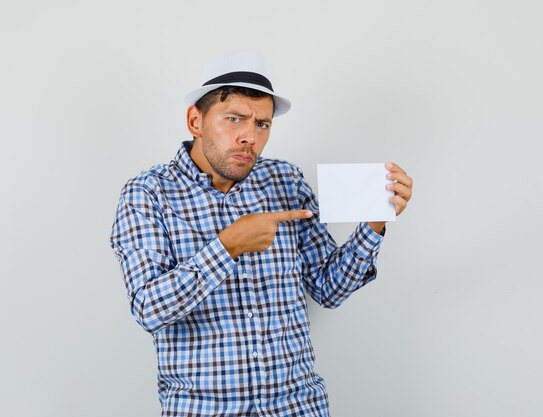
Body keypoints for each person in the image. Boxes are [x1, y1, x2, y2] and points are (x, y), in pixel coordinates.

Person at [109, 51, 413, 417]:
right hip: (202, 409)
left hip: (297, 406)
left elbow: (329, 289)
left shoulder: (284, 180)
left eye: (262, 125)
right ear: (195, 121)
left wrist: (375, 221)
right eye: (234, 119)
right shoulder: (147, 193)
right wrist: (228, 246)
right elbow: (148, 309)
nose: (249, 138)